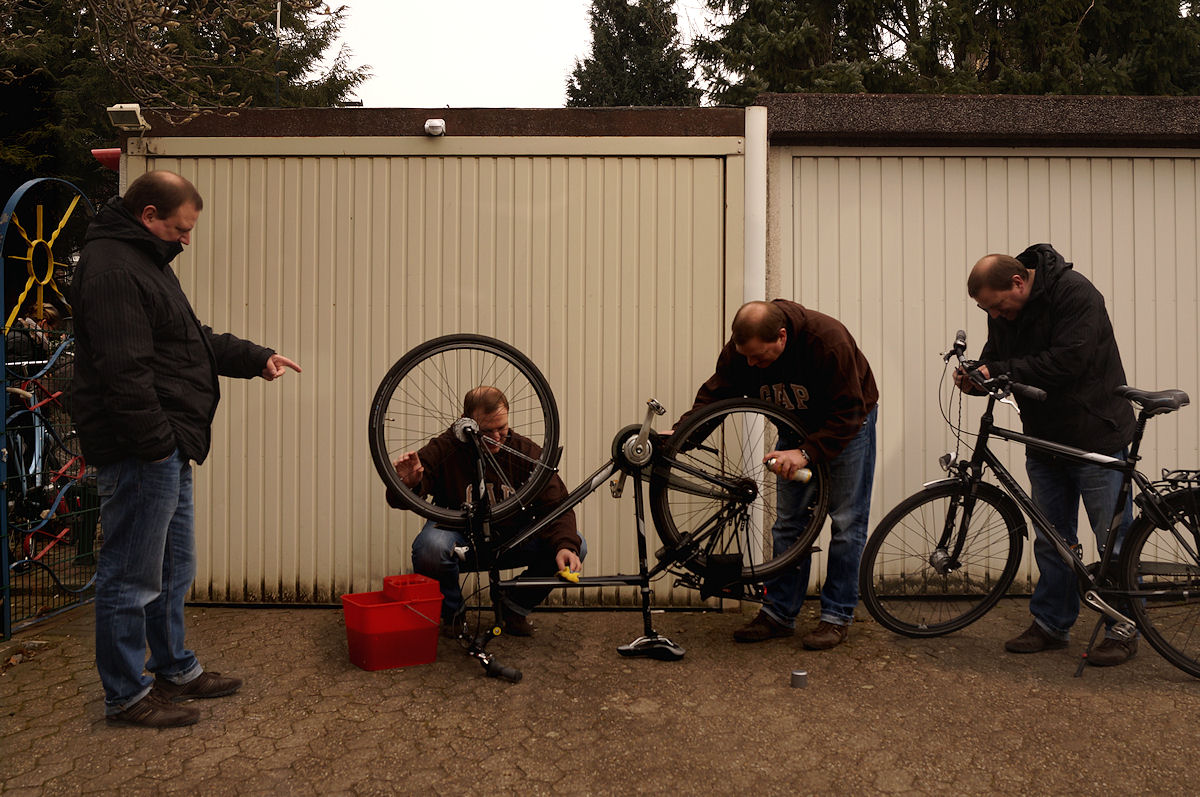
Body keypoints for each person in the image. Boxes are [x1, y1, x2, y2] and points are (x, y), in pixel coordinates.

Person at [69, 170, 301, 728]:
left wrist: (254, 357)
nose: (186, 240)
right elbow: (124, 373)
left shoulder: (144, 262)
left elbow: (189, 339)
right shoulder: (112, 270)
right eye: (181, 228)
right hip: (142, 452)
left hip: (167, 449)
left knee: (173, 568)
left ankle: (175, 667)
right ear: (149, 215)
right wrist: (156, 448)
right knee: (129, 575)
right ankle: (126, 694)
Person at [955, 244, 1136, 666]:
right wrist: (978, 371)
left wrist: (1003, 371)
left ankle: (1124, 628)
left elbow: (1069, 361)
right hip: (1044, 436)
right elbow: (999, 356)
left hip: (1095, 433)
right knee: (1052, 537)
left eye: (999, 307)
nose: (996, 316)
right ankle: (1052, 624)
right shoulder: (1002, 307)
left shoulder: (1076, 294)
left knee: (1114, 539)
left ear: (1019, 282)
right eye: (989, 311)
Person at [673, 299, 878, 650]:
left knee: (846, 524)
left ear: (782, 337)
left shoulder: (828, 341)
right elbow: (716, 396)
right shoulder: (743, 350)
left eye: (759, 358)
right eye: (746, 357)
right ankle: (779, 615)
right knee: (788, 524)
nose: (751, 365)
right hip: (794, 427)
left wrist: (805, 454)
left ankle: (836, 617)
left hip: (847, 428)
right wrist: (679, 437)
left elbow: (850, 410)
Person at [388, 386, 585, 638]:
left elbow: (556, 504)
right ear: (466, 421)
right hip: (460, 540)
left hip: (511, 542)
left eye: (501, 428)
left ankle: (513, 607)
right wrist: (408, 483)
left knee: (575, 544)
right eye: (486, 430)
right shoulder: (444, 447)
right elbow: (397, 500)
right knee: (430, 547)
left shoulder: (525, 451)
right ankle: (453, 614)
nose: (495, 437)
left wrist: (566, 545)